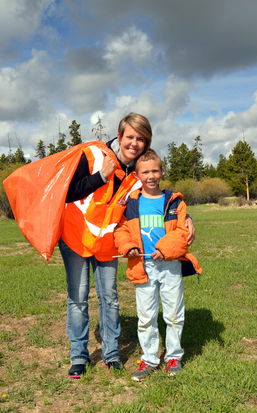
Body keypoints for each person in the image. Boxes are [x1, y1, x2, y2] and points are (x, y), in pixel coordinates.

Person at [59, 113, 194, 379]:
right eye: (129, 137)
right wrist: (100, 176)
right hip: (75, 236)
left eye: (140, 139)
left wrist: (187, 218)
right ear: (119, 136)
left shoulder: (138, 171)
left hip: (107, 240)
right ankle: (79, 356)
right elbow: (68, 191)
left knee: (109, 297)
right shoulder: (94, 155)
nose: (134, 143)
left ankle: (111, 354)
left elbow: (157, 200)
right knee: (79, 297)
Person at [114, 149, 202, 381]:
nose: (151, 175)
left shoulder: (174, 201)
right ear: (137, 174)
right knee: (146, 317)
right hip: (142, 267)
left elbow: (183, 232)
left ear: (162, 171)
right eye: (145, 172)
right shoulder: (131, 202)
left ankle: (173, 356)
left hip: (170, 266)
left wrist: (164, 250)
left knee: (173, 314)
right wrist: (128, 246)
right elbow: (121, 230)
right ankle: (149, 358)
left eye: (155, 170)